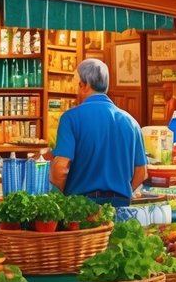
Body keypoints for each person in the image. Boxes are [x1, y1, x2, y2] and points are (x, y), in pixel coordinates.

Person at [51, 59, 148, 205]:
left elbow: (60, 168)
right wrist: (120, 195)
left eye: (77, 85)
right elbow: (141, 172)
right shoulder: (132, 123)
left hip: (81, 207)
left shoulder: (70, 118)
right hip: (120, 206)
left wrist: (63, 201)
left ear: (85, 85)